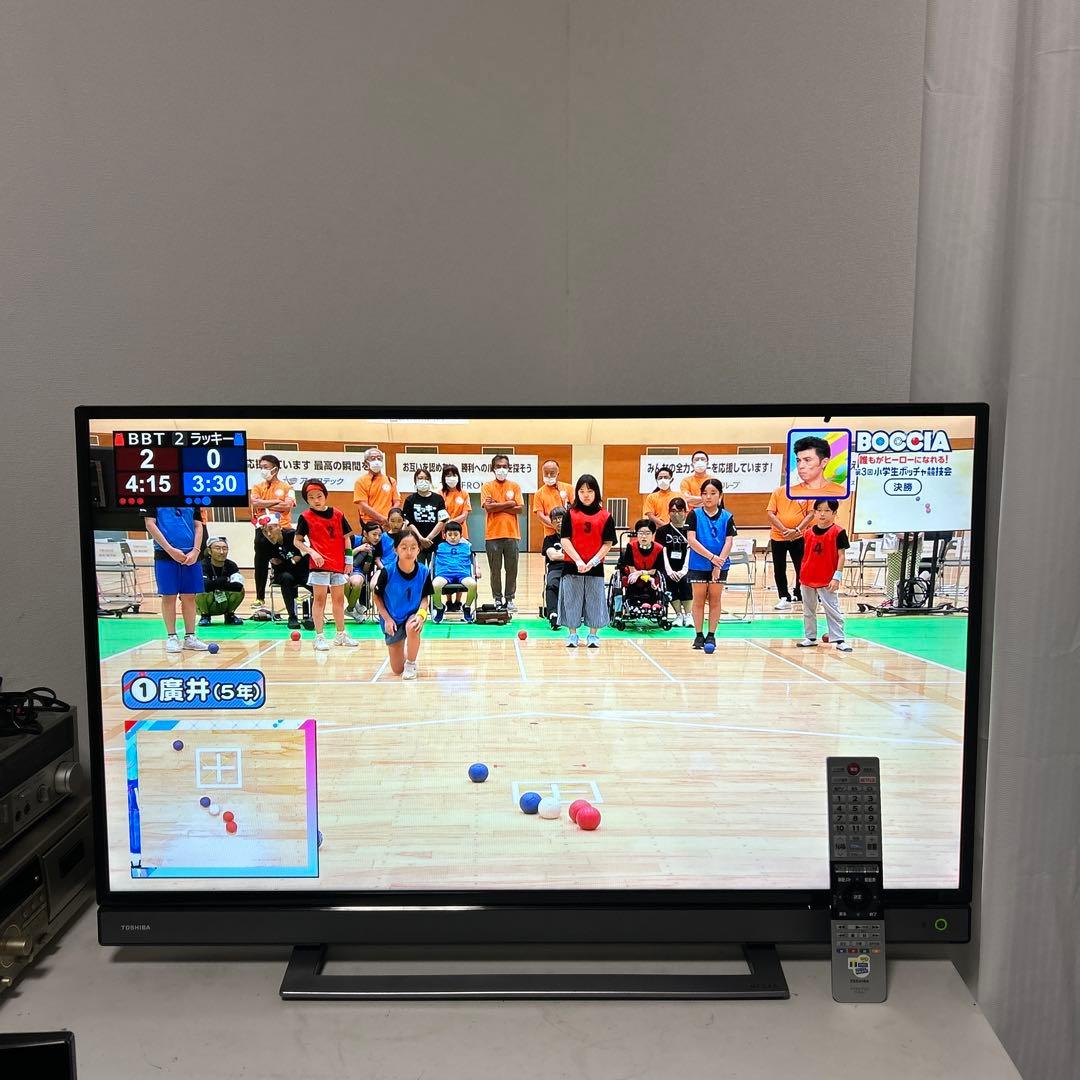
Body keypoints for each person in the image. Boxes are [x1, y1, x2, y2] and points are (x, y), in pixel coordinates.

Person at [294, 479, 358, 651]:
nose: (316, 500)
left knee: (339, 600)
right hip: (319, 565)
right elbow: (297, 541)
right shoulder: (305, 517)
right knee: (320, 600)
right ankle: (319, 637)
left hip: (338, 564)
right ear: (307, 499)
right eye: (311, 497)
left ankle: (340, 635)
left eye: (319, 496)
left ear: (325, 496)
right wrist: (312, 552)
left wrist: (349, 560)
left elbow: (346, 538)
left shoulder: (338, 514)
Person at [558, 474, 616, 648]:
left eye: (589, 491)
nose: (586, 495)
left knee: (594, 600)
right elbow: (565, 539)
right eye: (582, 491)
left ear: (596, 492)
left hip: (595, 567)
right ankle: (572, 635)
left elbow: (608, 543)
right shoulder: (570, 514)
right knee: (571, 600)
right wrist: (578, 561)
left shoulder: (606, 516)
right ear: (577, 493)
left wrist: (593, 562)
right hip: (572, 566)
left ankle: (593, 635)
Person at [143, 505, 208, 653]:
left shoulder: (191, 498)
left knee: (189, 596)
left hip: (190, 556)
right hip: (165, 555)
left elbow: (198, 525)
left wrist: (196, 551)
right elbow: (150, 524)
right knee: (169, 596)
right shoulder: (152, 498)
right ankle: (171, 637)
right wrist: (170, 550)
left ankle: (190, 637)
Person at [372, 530, 434, 680]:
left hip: (412, 614)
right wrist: (387, 619)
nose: (409, 552)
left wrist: (421, 615)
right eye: (404, 547)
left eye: (413, 547)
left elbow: (425, 598)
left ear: (418, 550)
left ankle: (411, 663)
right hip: (392, 618)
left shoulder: (424, 571)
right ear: (396, 549)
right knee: (397, 669)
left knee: (413, 626)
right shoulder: (387, 571)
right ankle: (406, 658)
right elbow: (376, 597)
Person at [686, 478, 736, 651]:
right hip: (698, 564)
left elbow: (728, 542)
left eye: (713, 493)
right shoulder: (694, 515)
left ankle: (711, 635)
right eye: (705, 493)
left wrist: (718, 564)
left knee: (715, 599)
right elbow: (691, 540)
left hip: (720, 565)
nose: (708, 497)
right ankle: (699, 635)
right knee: (698, 599)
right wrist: (711, 557)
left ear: (720, 495)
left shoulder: (727, 517)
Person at [796, 499, 853, 651]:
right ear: (814, 512)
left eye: (827, 510)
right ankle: (810, 637)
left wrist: (837, 576)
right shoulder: (807, 533)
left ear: (834, 513)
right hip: (807, 577)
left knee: (832, 609)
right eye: (819, 510)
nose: (822, 514)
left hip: (827, 579)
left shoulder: (838, 532)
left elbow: (841, 555)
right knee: (808, 609)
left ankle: (839, 640)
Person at [249, 454, 296, 616]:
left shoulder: (287, 487)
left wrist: (265, 504)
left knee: (288, 561)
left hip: (283, 530)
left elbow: (287, 506)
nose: (263, 470)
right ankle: (259, 597)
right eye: (261, 467)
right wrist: (276, 502)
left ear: (275, 469)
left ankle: (293, 596)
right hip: (262, 529)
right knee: (260, 562)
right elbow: (255, 503)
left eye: (266, 467)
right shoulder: (257, 487)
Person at [481, 454, 524, 612]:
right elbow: (488, 508)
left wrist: (497, 505)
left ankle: (510, 599)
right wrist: (509, 504)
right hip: (492, 535)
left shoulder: (515, 486)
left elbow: (519, 509)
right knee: (495, 570)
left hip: (512, 535)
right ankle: (498, 599)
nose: (501, 469)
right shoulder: (487, 486)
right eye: (498, 466)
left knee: (512, 569)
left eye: (504, 466)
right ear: (493, 468)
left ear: (509, 468)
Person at [766, 484, 813, 609]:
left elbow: (811, 514)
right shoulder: (778, 491)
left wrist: (797, 530)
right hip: (778, 536)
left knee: (801, 567)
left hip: (799, 536)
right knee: (779, 568)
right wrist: (784, 530)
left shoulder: (807, 491)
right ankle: (784, 597)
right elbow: (770, 513)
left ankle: (800, 593)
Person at [260, 519, 312, 630]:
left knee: (316, 584)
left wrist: (286, 561)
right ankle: (292, 617)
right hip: (282, 573)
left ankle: (311, 616)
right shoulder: (264, 544)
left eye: (271, 529)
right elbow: (279, 564)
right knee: (286, 578)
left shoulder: (292, 535)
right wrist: (292, 560)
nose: (269, 534)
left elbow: (304, 556)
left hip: (302, 571)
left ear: (279, 527)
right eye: (264, 532)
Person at [430, 520, 478, 623]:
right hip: (444, 574)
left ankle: (467, 607)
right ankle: (439, 607)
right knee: (434, 585)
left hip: (462, 574)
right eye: (450, 534)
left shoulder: (466, 547)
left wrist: (477, 569)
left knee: (473, 584)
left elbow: (474, 558)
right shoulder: (439, 546)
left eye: (456, 535)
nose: (452, 537)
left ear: (461, 536)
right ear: (444, 535)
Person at [657, 497, 692, 626]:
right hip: (668, 567)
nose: (676, 514)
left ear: (685, 512)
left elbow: (691, 549)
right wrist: (669, 571)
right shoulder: (662, 531)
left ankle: (688, 615)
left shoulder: (691, 530)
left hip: (686, 567)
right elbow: (662, 551)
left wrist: (684, 570)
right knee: (668, 580)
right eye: (673, 511)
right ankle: (678, 614)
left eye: (679, 511)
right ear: (668, 512)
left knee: (686, 580)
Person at [617, 520, 665, 613]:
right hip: (633, 576)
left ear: (653, 534)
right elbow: (632, 570)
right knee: (633, 580)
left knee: (653, 584)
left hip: (650, 576)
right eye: (640, 533)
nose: (643, 536)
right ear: (637, 533)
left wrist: (641, 573)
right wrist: (647, 577)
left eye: (647, 533)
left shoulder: (659, 549)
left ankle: (652, 605)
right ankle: (633, 605)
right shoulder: (631, 546)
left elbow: (655, 570)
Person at [196, 537, 245, 625]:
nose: (222, 552)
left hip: (224, 602)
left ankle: (230, 615)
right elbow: (204, 586)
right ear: (209, 551)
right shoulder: (202, 565)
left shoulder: (232, 565)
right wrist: (223, 581)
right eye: (218, 548)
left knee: (241, 591)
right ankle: (205, 616)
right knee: (200, 590)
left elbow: (238, 586)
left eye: (225, 549)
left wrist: (216, 584)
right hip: (207, 602)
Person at [402, 468, 447, 564]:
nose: (423, 481)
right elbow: (408, 521)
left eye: (426, 478)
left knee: (434, 569)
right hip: (416, 542)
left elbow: (442, 520)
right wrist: (420, 539)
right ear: (415, 481)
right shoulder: (410, 499)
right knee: (417, 569)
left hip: (434, 542)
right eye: (420, 478)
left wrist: (428, 539)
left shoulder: (438, 498)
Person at [352, 447, 401, 528]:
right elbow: (363, 506)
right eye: (373, 458)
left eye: (379, 458)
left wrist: (390, 518)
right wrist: (383, 519)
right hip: (370, 525)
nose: (376, 461)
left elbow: (397, 501)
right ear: (366, 462)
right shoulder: (360, 481)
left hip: (388, 524)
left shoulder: (391, 480)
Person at [541, 504, 568, 630]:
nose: (558, 522)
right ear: (551, 523)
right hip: (556, 569)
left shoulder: (574, 538)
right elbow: (553, 556)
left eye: (561, 518)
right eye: (555, 519)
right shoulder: (549, 539)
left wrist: (561, 555)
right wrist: (570, 556)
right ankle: (553, 614)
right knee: (551, 584)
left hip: (572, 568)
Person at [533, 459, 573, 540]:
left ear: (558, 474)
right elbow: (540, 515)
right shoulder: (539, 493)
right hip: (550, 535)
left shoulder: (569, 488)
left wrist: (564, 525)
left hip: (569, 532)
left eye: (552, 473)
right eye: (546, 473)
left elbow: (575, 509)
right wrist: (556, 525)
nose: (548, 475)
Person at [440, 465, 472, 540]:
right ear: (444, 478)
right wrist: (446, 524)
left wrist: (450, 522)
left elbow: (464, 515)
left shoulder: (464, 493)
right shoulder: (439, 494)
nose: (452, 478)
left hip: (461, 534)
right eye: (448, 475)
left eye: (454, 475)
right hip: (444, 534)